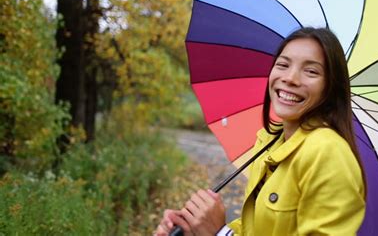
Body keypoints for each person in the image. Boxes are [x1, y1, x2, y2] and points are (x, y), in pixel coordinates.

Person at [156, 27, 366, 236]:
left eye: (311, 71)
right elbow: (257, 229)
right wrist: (192, 229)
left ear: (330, 87)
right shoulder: (271, 142)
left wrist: (220, 233)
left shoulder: (328, 153)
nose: (290, 78)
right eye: (283, 65)